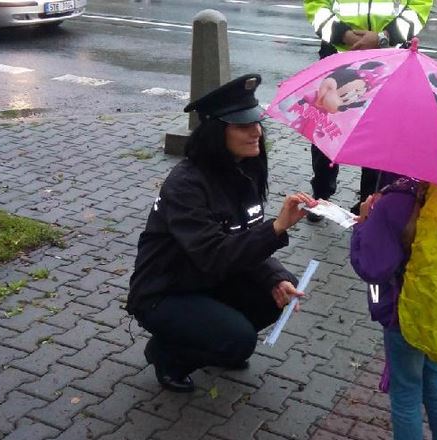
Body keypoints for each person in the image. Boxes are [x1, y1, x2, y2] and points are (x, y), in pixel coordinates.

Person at [126, 74, 316, 393]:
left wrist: (276, 278)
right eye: (242, 125)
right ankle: (167, 353)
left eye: (256, 121)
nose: (256, 131)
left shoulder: (243, 170)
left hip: (205, 279)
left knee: (281, 291)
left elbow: (244, 238)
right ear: (216, 132)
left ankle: (215, 339)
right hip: (165, 291)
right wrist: (277, 227)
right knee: (238, 340)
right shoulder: (186, 184)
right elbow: (215, 255)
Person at [303, 0, 433, 220]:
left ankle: (368, 202)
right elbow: (316, 4)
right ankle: (322, 194)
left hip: (389, 56)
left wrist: (384, 38)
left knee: (378, 134)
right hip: (338, 51)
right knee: (326, 128)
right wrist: (342, 34)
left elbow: (419, 7)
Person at [350, 173, 437, 440]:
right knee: (433, 379)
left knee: (406, 391)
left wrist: (363, 224)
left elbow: (373, 267)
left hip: (404, 315)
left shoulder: (394, 201)